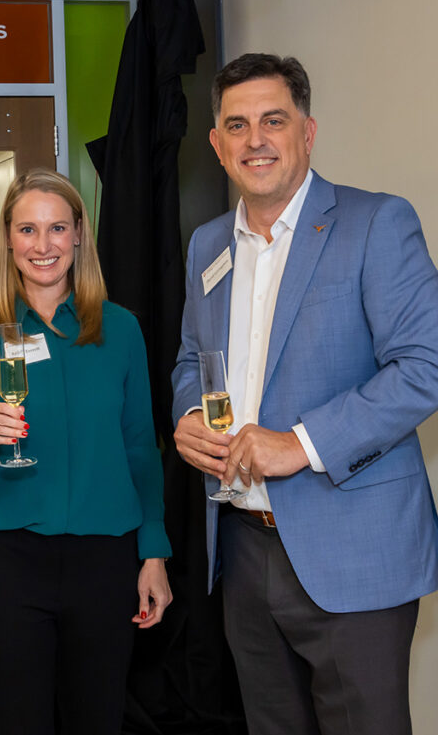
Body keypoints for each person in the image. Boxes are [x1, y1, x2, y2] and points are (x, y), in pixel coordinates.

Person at [171, 53, 438, 735]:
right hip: (243, 547)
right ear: (216, 144)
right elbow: (188, 360)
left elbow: (424, 364)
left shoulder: (375, 223)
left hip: (354, 550)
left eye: (273, 120)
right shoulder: (207, 246)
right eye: (237, 124)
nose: (254, 139)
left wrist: (301, 443)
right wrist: (188, 415)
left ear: (308, 132)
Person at [0, 168, 172, 735]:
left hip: (104, 556)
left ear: (78, 237)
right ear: (9, 239)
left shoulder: (121, 330)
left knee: (97, 717)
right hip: (6, 560)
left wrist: (154, 552)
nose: (42, 246)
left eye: (57, 229)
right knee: (15, 719)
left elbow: (141, 444)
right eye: (27, 230)